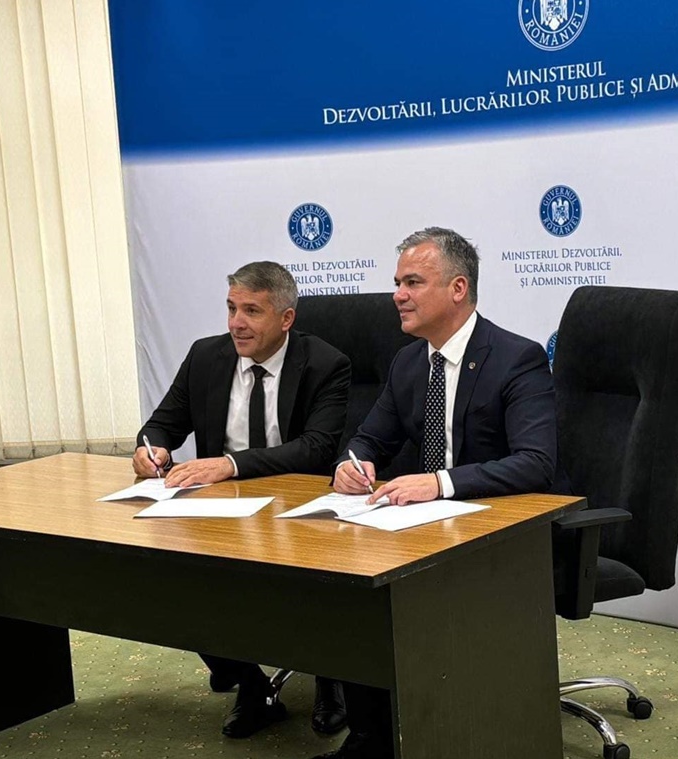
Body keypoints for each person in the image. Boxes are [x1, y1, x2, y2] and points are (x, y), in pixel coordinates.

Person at [321, 227, 557, 759]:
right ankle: (370, 739)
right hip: (421, 528)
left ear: (457, 288)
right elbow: (368, 438)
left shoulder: (515, 357)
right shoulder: (409, 362)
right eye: (397, 283)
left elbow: (536, 463)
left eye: (412, 282)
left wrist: (439, 483)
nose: (397, 295)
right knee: (349, 586)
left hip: (498, 532)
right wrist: (350, 465)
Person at [134, 261, 352, 740]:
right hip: (222, 512)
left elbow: (316, 448)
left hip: (298, 512)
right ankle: (251, 686)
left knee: (323, 584)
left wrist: (230, 464)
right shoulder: (205, 356)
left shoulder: (325, 364)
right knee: (169, 577)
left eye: (252, 311)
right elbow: (163, 423)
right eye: (232, 308)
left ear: (286, 319)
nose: (236, 322)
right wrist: (151, 449)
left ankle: (332, 677)